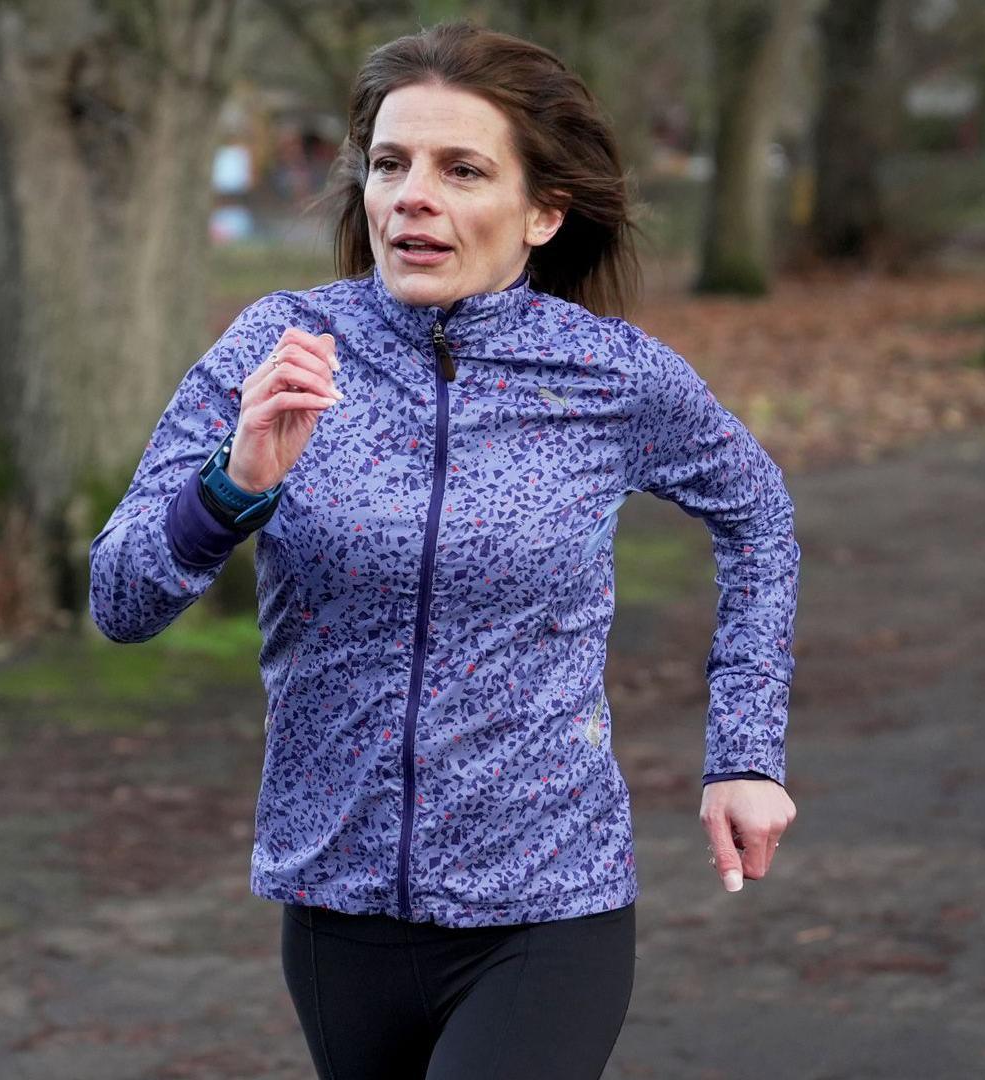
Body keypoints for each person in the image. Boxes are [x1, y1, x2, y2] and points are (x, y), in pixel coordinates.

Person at [89, 20, 799, 1080]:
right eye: (390, 163)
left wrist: (745, 747)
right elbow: (120, 600)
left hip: (549, 904)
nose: (411, 195)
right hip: (337, 906)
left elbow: (759, 515)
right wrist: (234, 487)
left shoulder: (610, 378)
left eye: (462, 169)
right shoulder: (280, 349)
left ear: (543, 212)